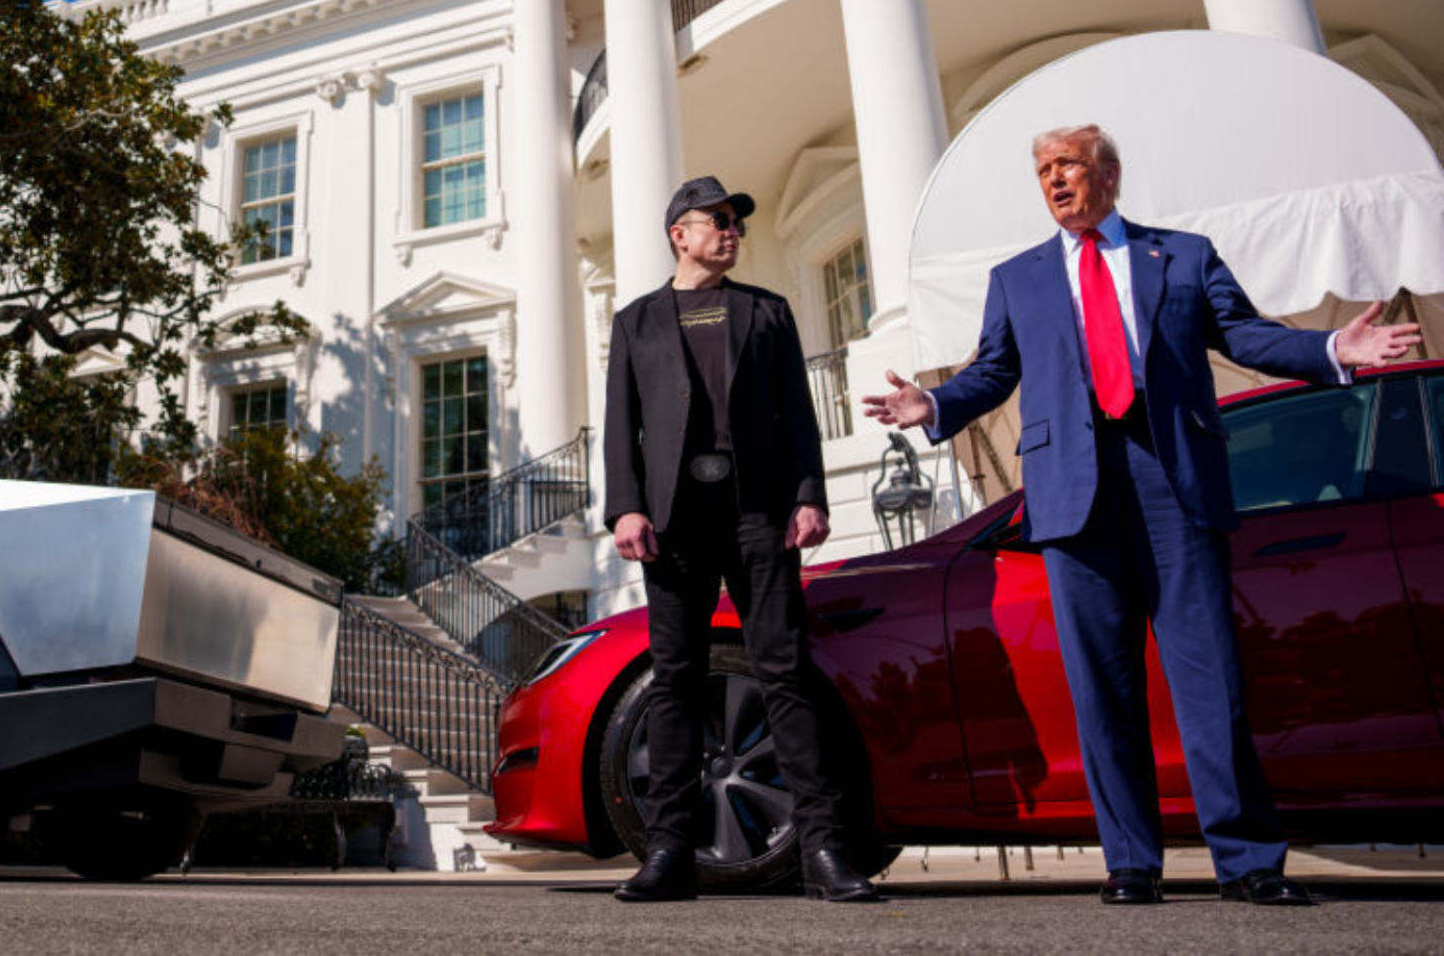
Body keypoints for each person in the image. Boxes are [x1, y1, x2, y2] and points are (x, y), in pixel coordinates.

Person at [863, 125, 1420, 907]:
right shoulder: (1017, 277)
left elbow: (1248, 335)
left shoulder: (1182, 255)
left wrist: (1333, 348)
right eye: (1043, 171)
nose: (1055, 181)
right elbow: (992, 370)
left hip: (1174, 480)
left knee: (1210, 678)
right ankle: (1131, 861)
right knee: (1102, 684)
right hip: (1072, 492)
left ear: (1110, 176)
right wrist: (934, 403)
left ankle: (1249, 859)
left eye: (1068, 166)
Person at [603, 175, 877, 903]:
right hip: (674, 523)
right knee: (675, 680)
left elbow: (798, 412)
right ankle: (669, 851)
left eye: (735, 223)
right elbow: (618, 427)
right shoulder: (635, 323)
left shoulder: (767, 311)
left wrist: (809, 495)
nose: (731, 231)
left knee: (785, 674)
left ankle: (824, 848)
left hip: (759, 512)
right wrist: (626, 507)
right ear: (679, 234)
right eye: (717, 221)